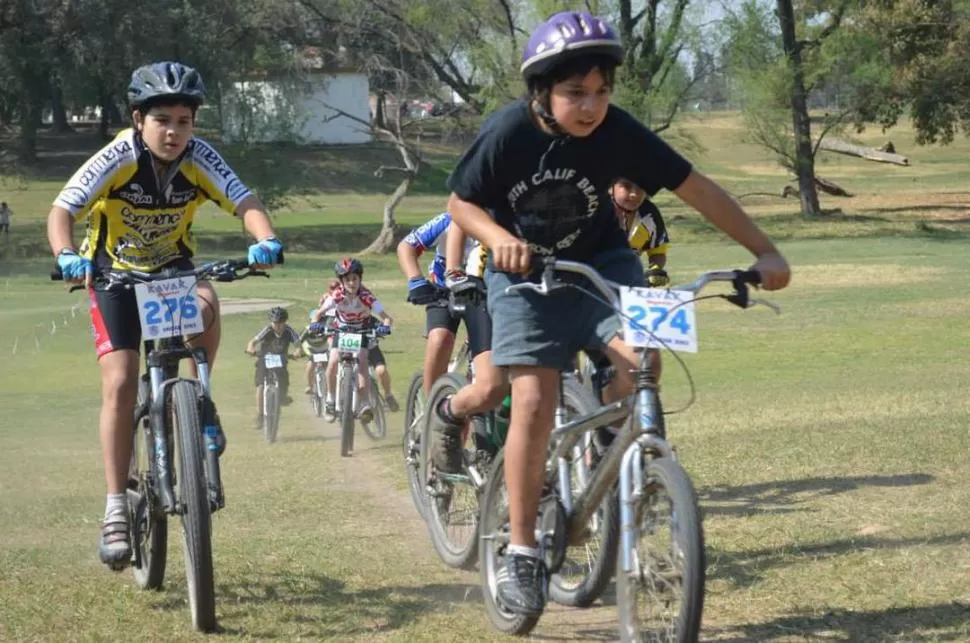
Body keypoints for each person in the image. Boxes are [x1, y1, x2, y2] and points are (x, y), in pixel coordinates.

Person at [445, 11, 790, 616]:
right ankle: (522, 551)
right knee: (530, 400)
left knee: (643, 364)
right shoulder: (508, 133)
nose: (591, 105)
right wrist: (497, 237)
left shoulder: (621, 133)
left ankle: (623, 459)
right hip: (526, 279)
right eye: (575, 92)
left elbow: (696, 187)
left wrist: (761, 249)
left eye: (601, 92)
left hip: (606, 266)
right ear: (543, 94)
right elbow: (460, 202)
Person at [46, 61, 283, 569]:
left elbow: (245, 201)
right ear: (138, 119)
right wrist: (67, 253)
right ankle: (114, 506)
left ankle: (202, 401)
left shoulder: (201, 157)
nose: (174, 131)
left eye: (184, 120)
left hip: (172, 272)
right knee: (121, 380)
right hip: (114, 276)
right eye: (163, 120)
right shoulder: (118, 157)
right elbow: (62, 210)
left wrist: (265, 238)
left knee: (208, 305)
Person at [397, 212, 508, 470]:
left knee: (486, 368)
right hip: (442, 291)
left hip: (481, 292)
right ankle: (432, 410)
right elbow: (407, 246)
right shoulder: (449, 219)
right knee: (440, 338)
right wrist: (415, 280)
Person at [311, 257, 395, 421]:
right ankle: (330, 400)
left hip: (361, 331)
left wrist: (385, 326)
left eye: (354, 279)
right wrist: (315, 323)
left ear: (360, 279)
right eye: (347, 280)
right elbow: (318, 313)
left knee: (363, 361)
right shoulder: (336, 296)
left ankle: (363, 402)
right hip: (341, 331)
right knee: (333, 361)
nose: (351, 283)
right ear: (341, 281)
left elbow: (386, 317)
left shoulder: (366, 296)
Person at [246, 306, 302, 427]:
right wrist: (251, 348)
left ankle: (282, 396)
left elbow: (298, 344)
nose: (277, 326)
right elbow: (253, 341)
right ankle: (260, 415)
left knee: (284, 378)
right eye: (275, 323)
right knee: (261, 386)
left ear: (285, 322)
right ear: (271, 322)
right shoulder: (267, 330)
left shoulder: (289, 331)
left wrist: (298, 352)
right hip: (264, 358)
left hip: (281, 359)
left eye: (280, 323)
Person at [611, 177, 670, 286]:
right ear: (611, 187)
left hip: (629, 280)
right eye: (627, 186)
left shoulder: (650, 213)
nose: (634, 194)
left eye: (641, 187)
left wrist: (654, 270)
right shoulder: (595, 212)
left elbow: (657, 251)